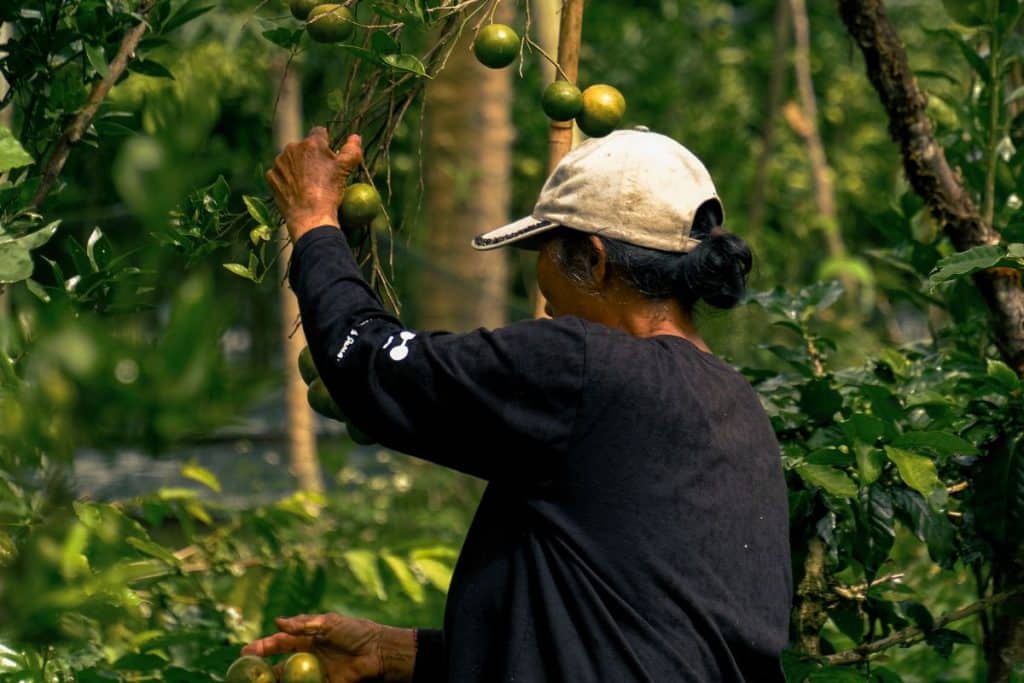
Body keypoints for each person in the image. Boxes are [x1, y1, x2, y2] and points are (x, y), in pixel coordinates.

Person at [244, 126, 792, 682]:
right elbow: (636, 635)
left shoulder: (584, 368)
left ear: (596, 259)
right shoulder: (738, 409)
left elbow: (368, 364)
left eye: (544, 250)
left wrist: (313, 222)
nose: (547, 308)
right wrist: (405, 654)